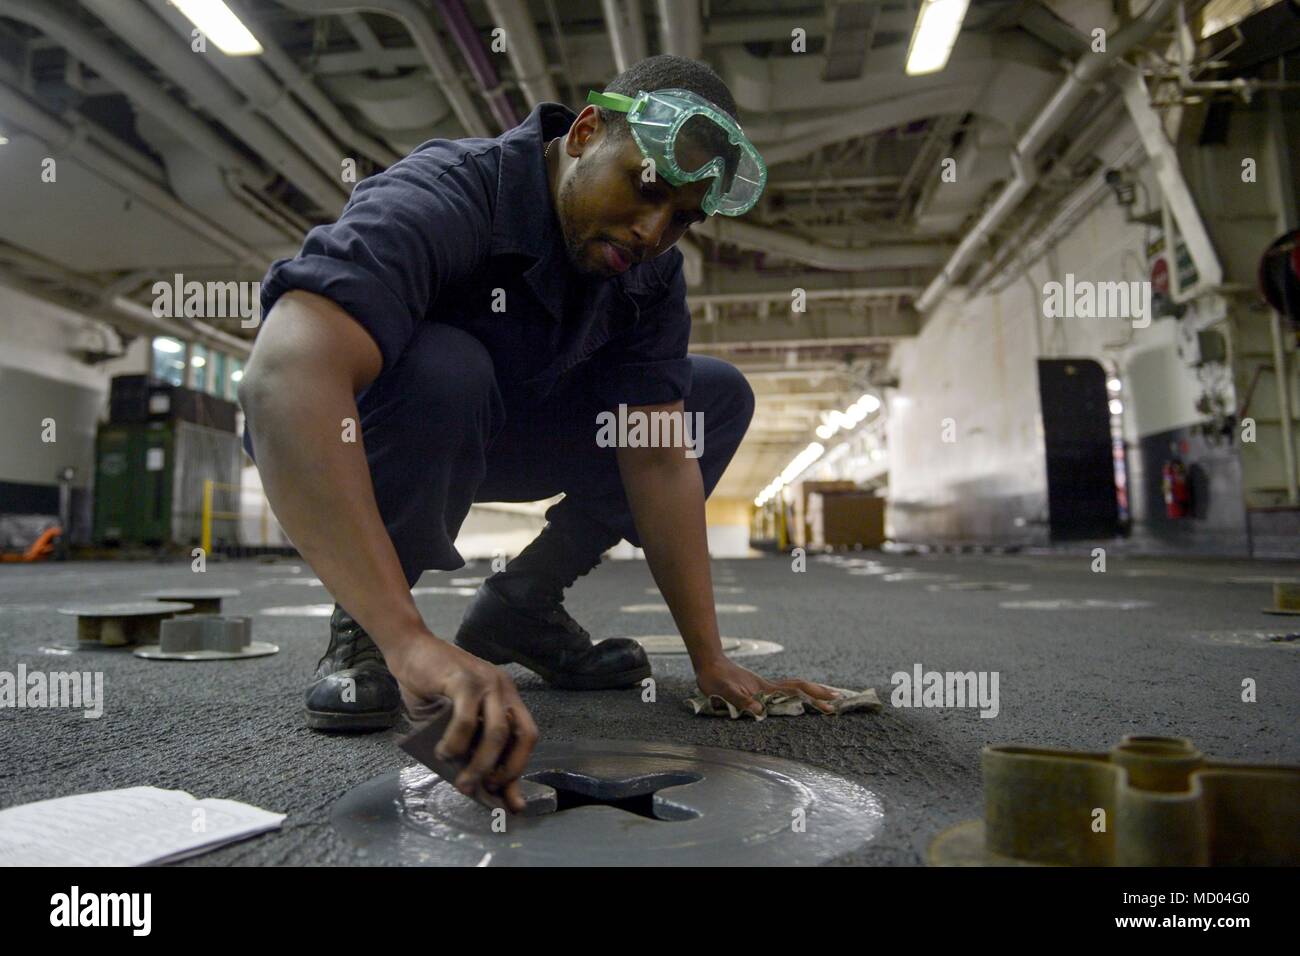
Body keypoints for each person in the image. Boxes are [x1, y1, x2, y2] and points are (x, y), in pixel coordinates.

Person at [238, 54, 836, 813]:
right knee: (446, 367)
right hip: (397, 428)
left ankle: (523, 604)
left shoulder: (647, 272)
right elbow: (282, 380)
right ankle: (366, 630)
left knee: (709, 396)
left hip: (515, 431)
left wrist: (710, 660)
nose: (655, 230)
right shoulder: (449, 193)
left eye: (683, 218)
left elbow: (656, 460)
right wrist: (409, 638)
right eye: (647, 187)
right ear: (586, 131)